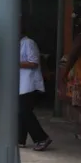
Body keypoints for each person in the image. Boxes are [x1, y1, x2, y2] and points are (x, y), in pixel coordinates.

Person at [18, 21, 51, 151]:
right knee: (21, 112)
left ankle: (41, 138)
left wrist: (15, 62)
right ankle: (20, 139)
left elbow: (34, 63)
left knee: (25, 112)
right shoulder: (18, 44)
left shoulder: (28, 43)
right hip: (21, 83)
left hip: (29, 83)